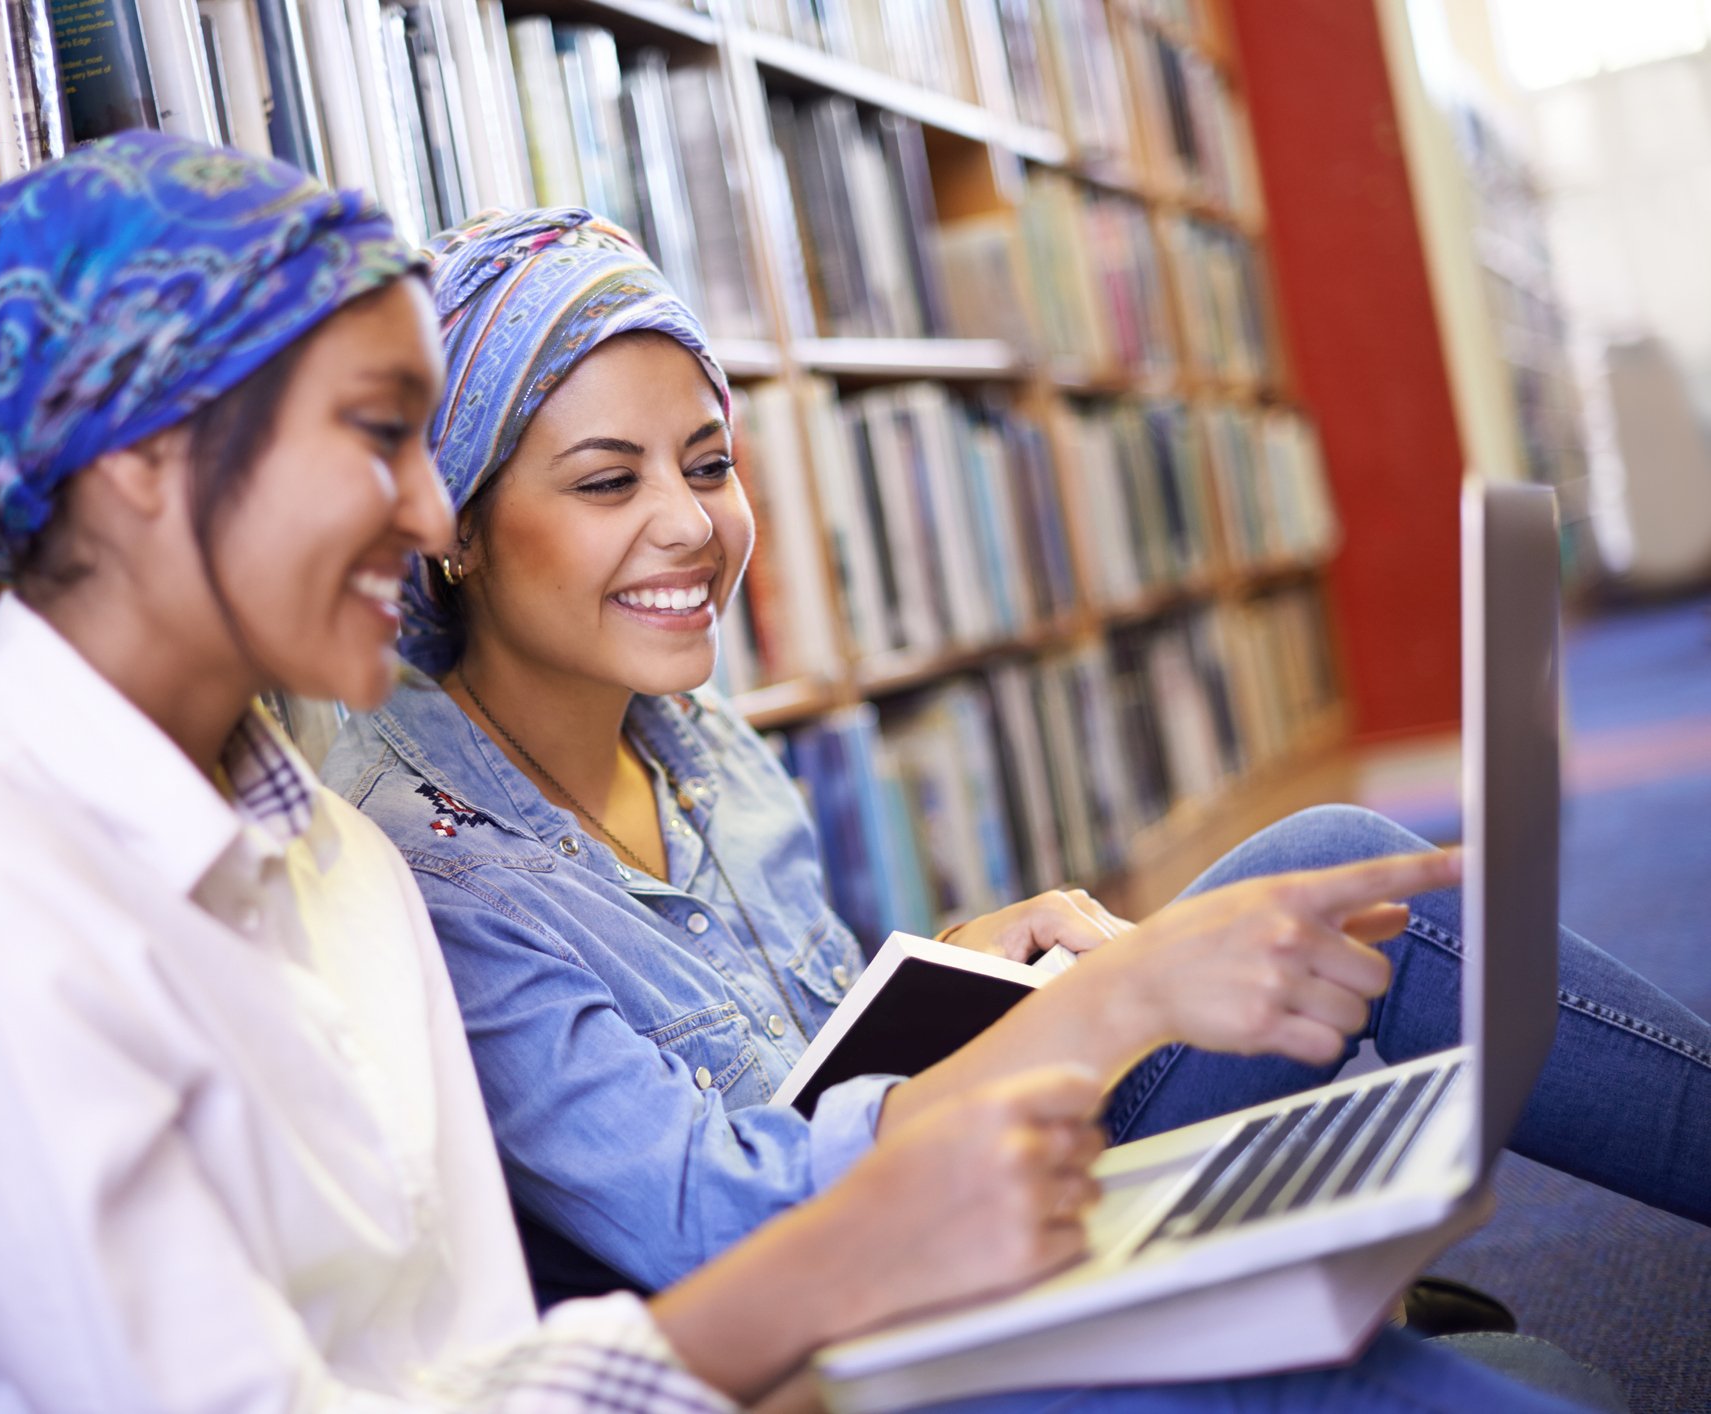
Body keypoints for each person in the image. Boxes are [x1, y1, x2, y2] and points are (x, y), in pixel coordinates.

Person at [0, 133, 1139, 1413]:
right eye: (376, 434)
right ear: (140, 459)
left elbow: (489, 1347)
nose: (429, 514)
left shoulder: (338, 868)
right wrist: (850, 1252)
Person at [322, 207, 1711, 1319]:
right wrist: (1108, 1008)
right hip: (850, 1324)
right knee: (1330, 902)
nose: (691, 525)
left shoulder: (696, 740)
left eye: (707, 461)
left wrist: (966, 964)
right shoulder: (437, 874)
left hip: (964, 1212)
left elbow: (810, 1067)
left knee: (1345, 889)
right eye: (608, 481)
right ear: (458, 523)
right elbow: (725, 1224)